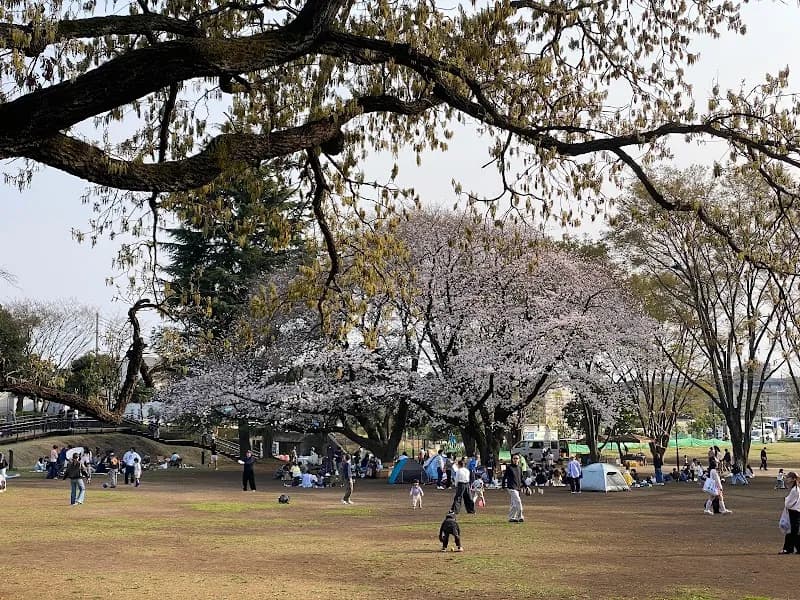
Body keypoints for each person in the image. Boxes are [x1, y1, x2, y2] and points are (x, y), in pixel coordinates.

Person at [780, 471, 800, 554]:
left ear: (793, 479)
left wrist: (786, 499)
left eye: (788, 477)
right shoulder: (795, 489)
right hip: (795, 512)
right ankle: (790, 548)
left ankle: (788, 549)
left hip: (794, 513)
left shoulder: (795, 490)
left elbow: (788, 504)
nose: (786, 479)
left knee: (792, 531)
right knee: (794, 531)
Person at [502, 453, 524, 523]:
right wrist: (503, 486)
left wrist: (526, 486)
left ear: (519, 459)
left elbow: (521, 478)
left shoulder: (519, 468)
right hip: (511, 487)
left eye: (516, 458)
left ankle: (511, 517)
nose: (515, 460)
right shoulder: (509, 467)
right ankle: (520, 516)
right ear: (512, 459)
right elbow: (504, 477)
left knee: (514, 504)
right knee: (518, 501)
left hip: (517, 487)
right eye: (514, 458)